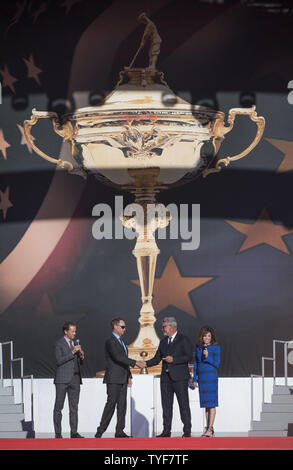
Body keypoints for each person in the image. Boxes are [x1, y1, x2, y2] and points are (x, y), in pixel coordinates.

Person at [95, 317, 145, 438]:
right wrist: (135, 362)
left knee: (122, 405)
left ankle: (119, 431)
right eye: (122, 327)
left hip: (123, 378)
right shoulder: (110, 341)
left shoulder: (122, 342)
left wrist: (129, 375)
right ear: (115, 327)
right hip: (113, 378)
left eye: (124, 327)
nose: (124, 329)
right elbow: (118, 357)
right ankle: (100, 430)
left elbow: (124, 361)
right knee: (111, 404)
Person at [146, 317, 193, 437]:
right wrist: (144, 363)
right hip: (166, 379)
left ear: (171, 327)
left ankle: (187, 430)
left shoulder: (183, 339)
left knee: (183, 404)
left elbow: (188, 356)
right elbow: (157, 359)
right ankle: (166, 431)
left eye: (164, 326)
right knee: (166, 406)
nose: (162, 329)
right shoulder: (163, 342)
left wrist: (174, 360)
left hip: (180, 378)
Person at [53, 321, 85, 438]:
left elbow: (79, 363)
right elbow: (59, 361)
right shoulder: (59, 344)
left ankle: (74, 432)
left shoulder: (75, 344)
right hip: (62, 379)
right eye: (72, 331)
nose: (74, 333)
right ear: (66, 331)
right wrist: (72, 352)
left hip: (75, 378)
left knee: (74, 407)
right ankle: (58, 433)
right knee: (59, 407)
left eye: (75, 331)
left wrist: (81, 356)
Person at [193, 325, 220, 437]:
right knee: (206, 405)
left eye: (209, 336)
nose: (207, 338)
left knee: (212, 404)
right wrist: (195, 378)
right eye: (205, 336)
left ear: (211, 337)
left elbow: (217, 363)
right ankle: (208, 428)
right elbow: (195, 363)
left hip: (211, 377)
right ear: (202, 337)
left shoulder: (215, 347)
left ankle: (210, 428)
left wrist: (208, 357)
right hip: (202, 378)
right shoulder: (198, 347)